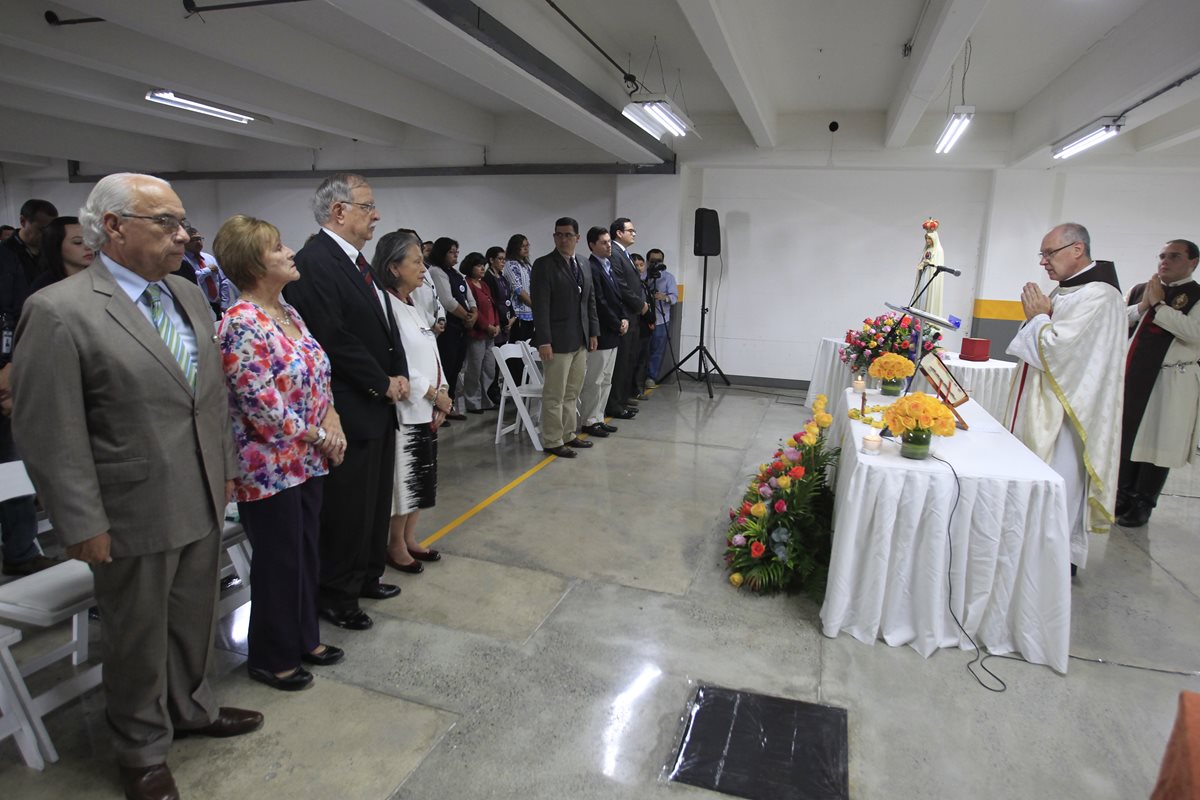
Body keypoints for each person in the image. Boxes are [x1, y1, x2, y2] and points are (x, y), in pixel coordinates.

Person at [12, 173, 262, 800]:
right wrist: (81, 522)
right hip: (130, 508)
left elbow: (208, 399)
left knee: (192, 618)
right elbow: (50, 430)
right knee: (137, 635)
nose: (183, 235)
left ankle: (192, 708)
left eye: (181, 223)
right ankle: (140, 748)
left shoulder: (187, 294)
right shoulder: (60, 310)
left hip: (202, 489)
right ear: (114, 227)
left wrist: (226, 465)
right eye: (166, 224)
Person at [214, 214, 348, 692]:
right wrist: (319, 435)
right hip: (269, 465)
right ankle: (271, 656)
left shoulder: (288, 313)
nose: (290, 252)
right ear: (253, 264)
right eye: (277, 248)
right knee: (279, 561)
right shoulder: (240, 323)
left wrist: (330, 419)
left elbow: (319, 375)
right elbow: (260, 404)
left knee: (308, 551)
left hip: (306, 457)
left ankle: (304, 637)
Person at [282, 173, 407, 632]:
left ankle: (366, 573)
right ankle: (337, 592)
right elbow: (333, 336)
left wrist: (395, 377)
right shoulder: (317, 261)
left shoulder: (356, 261)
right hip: (349, 402)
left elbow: (377, 323)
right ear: (339, 211)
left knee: (373, 501)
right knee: (347, 506)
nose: (376, 215)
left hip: (375, 401)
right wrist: (381, 381)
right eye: (367, 206)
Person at [1003, 222, 1125, 573]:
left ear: (1077, 249)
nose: (1043, 261)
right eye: (1042, 254)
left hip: (1068, 412)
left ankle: (1054, 560)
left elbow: (1059, 350)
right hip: (1043, 401)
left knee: (1061, 481)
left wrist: (1039, 318)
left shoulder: (1100, 296)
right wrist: (1038, 318)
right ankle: (1030, 545)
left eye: (1049, 253)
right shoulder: (1065, 291)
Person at [371, 230, 451, 574]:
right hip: (407, 408)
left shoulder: (413, 304)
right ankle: (395, 544)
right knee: (403, 481)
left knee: (421, 476)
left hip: (430, 406)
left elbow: (431, 352)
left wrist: (443, 391)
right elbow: (395, 361)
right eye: (416, 261)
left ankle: (411, 537)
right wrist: (432, 394)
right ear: (393, 267)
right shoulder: (384, 305)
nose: (423, 267)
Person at [1115, 239, 1200, 527]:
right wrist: (1143, 305)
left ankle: (1143, 502)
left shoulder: (1196, 295)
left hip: (1172, 378)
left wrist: (1159, 307)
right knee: (1130, 436)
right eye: (1162, 256)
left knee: (1159, 441)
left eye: (1174, 256)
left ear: (1193, 263)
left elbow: (1194, 333)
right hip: (1135, 374)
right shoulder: (1142, 289)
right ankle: (1121, 494)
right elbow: (1119, 322)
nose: (1164, 261)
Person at [530, 217, 598, 458]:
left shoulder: (582, 263)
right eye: (558, 234)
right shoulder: (544, 265)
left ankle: (569, 434)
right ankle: (552, 439)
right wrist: (544, 340)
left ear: (577, 238)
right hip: (556, 342)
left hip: (579, 339)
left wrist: (593, 332)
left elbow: (589, 301)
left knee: (572, 393)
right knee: (554, 394)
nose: (563, 239)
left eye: (568, 235)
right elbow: (541, 306)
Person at [580, 226, 626, 439]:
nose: (609, 245)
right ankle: (589, 420)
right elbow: (599, 301)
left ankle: (599, 417)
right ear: (592, 245)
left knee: (607, 379)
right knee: (595, 379)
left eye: (609, 241)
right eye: (604, 242)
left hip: (614, 331)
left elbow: (618, 297)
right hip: (601, 332)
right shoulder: (591, 267)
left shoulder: (607, 265)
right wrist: (617, 322)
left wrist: (624, 318)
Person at [428, 237, 473, 420]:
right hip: (449, 328)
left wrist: (473, 313)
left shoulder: (455, 274)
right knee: (446, 367)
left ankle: (450, 404)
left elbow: (469, 297)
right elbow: (447, 301)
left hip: (462, 327)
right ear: (441, 253)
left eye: (457, 252)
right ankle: (440, 409)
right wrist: (467, 317)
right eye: (451, 252)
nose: (456, 256)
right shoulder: (437, 272)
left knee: (455, 367)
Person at [607, 217, 647, 419]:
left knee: (629, 360)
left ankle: (622, 401)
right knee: (621, 363)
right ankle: (614, 404)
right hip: (624, 314)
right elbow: (620, 285)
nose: (634, 233)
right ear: (618, 233)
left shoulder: (625, 253)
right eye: (630, 230)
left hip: (632, 314)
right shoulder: (614, 253)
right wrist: (639, 304)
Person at [461, 251, 500, 413]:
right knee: (474, 369)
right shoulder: (467, 284)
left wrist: (496, 324)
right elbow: (474, 310)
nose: (482, 269)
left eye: (483, 266)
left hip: (491, 333)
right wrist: (487, 326)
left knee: (489, 368)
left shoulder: (483, 284)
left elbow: (492, 306)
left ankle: (485, 399)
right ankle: (472, 402)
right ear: (470, 267)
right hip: (477, 333)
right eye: (478, 266)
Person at [483, 245, 516, 406]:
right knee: (493, 363)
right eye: (500, 259)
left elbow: (508, 300)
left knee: (502, 359)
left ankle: (500, 389)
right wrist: (502, 321)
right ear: (491, 260)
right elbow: (493, 302)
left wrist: (512, 318)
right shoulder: (488, 279)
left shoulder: (502, 277)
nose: (503, 262)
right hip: (497, 323)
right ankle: (492, 391)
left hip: (507, 322)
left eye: (504, 259)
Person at [28, 215, 94, 293]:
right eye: (78, 242)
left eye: (90, 240)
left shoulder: (101, 277)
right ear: (56, 245)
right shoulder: (44, 287)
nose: (88, 247)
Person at [642, 248, 677, 389]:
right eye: (652, 261)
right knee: (641, 349)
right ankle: (637, 377)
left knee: (657, 350)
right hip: (643, 320)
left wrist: (665, 297)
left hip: (661, 320)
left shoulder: (668, 277)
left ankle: (651, 377)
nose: (655, 264)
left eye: (659, 261)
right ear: (647, 261)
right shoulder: (642, 276)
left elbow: (675, 297)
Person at [182, 226, 236, 317]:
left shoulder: (209, 258)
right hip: (198, 307)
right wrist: (207, 271)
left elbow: (223, 281)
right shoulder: (182, 261)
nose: (198, 242)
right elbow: (191, 282)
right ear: (185, 242)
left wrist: (224, 304)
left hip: (217, 305)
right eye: (194, 240)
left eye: (199, 239)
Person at [3, 198, 58, 285]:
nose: (47, 235)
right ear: (23, 221)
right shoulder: (5, 253)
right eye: (41, 229)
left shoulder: (51, 249)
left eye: (50, 230)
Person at [503, 234, 535, 343]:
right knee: (517, 348)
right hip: (518, 314)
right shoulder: (510, 265)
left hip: (530, 313)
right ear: (515, 248)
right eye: (522, 246)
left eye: (527, 245)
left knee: (528, 348)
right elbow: (518, 289)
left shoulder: (527, 265)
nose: (526, 249)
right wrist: (535, 305)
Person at [912, 218, 945, 316]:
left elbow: (936, 265)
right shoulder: (926, 250)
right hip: (924, 277)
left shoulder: (938, 251)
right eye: (926, 238)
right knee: (921, 297)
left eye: (929, 238)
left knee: (928, 298)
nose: (927, 240)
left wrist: (928, 264)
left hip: (930, 277)